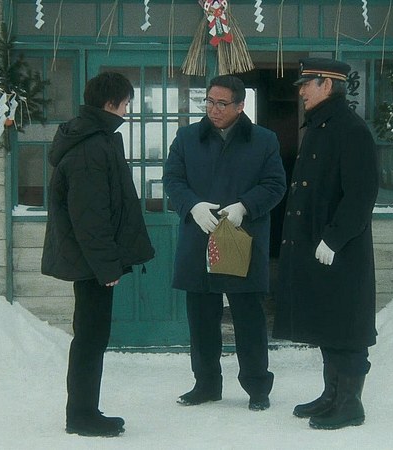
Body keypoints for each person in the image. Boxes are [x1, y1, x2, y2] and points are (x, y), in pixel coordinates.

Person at [41, 72, 155, 437]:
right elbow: (90, 218)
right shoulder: (91, 148)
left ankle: (85, 409)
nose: (126, 111)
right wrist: (108, 267)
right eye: (125, 105)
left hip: (90, 261)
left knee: (90, 336)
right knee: (90, 338)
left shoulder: (94, 138)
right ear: (110, 104)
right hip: (91, 264)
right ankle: (81, 415)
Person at [163, 75, 286, 412]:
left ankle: (257, 387)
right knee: (201, 318)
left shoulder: (263, 140)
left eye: (221, 103)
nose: (213, 109)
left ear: (240, 106)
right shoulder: (187, 137)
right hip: (199, 238)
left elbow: (275, 184)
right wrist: (192, 205)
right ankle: (206, 385)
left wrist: (245, 206)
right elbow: (172, 178)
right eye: (209, 101)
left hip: (241, 238)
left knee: (249, 319)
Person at [273, 58, 379, 430]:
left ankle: (350, 404)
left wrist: (334, 238)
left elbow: (361, 194)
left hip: (341, 250)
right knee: (328, 323)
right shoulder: (320, 126)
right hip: (318, 247)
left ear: (328, 85)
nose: (301, 91)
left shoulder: (350, 129)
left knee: (345, 327)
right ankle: (331, 394)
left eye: (307, 84)